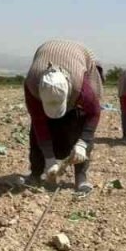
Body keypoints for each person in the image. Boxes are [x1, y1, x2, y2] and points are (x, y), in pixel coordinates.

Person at [25, 40, 103, 193]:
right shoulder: (32, 85)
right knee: (36, 132)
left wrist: (83, 142)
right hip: (46, 55)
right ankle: (35, 174)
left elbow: (94, 112)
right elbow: (39, 122)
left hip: (80, 61)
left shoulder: (82, 87)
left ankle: (81, 179)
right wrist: (49, 158)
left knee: (78, 122)